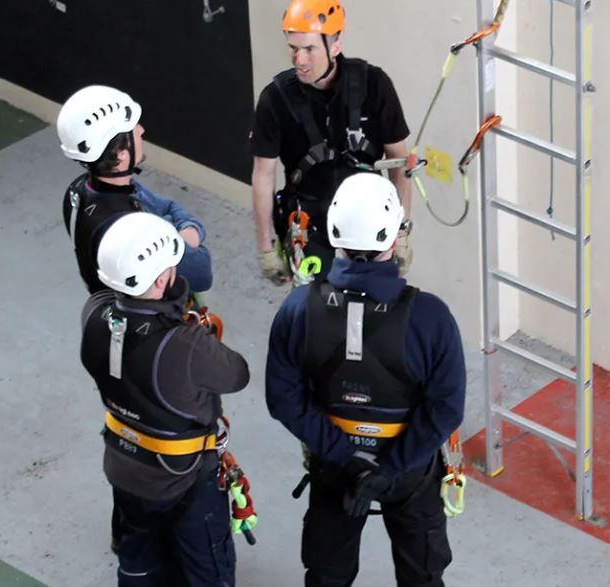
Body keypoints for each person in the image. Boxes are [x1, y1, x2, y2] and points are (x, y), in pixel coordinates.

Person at [265, 173, 465, 586]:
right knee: (422, 576)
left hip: (335, 465)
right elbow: (445, 408)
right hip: (408, 471)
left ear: (333, 234)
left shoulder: (299, 309)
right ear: (395, 238)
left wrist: (344, 453)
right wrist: (389, 467)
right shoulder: (431, 318)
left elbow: (283, 398)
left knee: (327, 574)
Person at [79, 212, 250, 585]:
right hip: (184, 478)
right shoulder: (186, 346)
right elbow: (238, 374)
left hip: (123, 464)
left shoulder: (93, 315)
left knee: (138, 562)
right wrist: (183, 319)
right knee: (207, 571)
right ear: (161, 279)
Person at [251, 0, 414, 286]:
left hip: (370, 225)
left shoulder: (374, 86)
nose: (299, 60)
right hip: (311, 227)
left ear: (335, 45)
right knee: (316, 315)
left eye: (309, 49)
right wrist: (266, 248)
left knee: (377, 307)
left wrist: (400, 233)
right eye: (293, 48)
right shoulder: (275, 100)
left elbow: (400, 165)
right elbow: (263, 175)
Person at [58, 85, 213, 296]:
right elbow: (201, 272)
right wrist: (184, 232)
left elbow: (167, 206)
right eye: (133, 129)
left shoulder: (78, 191)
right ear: (121, 155)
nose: (141, 130)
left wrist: (174, 231)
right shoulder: (135, 230)